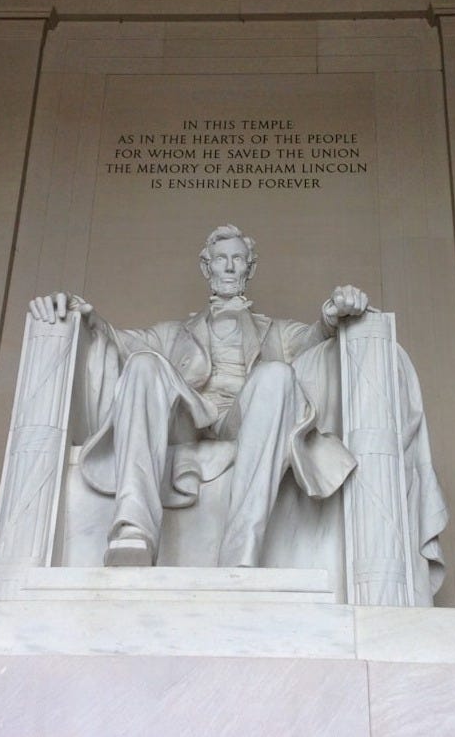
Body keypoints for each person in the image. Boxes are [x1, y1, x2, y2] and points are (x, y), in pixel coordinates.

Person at [31, 224, 368, 567]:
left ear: (250, 269)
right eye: (221, 259)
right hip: (188, 418)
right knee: (145, 364)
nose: (230, 267)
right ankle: (134, 529)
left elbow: (315, 338)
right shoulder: (172, 333)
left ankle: (241, 552)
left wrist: (333, 314)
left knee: (277, 374)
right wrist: (81, 315)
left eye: (238, 259)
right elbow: (119, 343)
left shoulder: (277, 332)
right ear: (207, 268)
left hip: (247, 420)